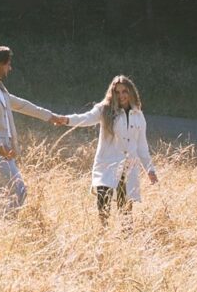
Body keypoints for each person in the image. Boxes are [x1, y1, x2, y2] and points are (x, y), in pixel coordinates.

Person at [0, 45, 70, 214]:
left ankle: (0, 231)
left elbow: (23, 105)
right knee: (18, 191)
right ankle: (6, 226)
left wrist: (51, 117)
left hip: (3, 150)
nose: (10, 68)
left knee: (6, 195)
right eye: (7, 64)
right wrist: (0, 147)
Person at [62, 75, 159, 224]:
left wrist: (150, 170)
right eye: (117, 92)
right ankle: (104, 236)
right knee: (103, 205)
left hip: (128, 167)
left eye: (124, 91)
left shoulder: (138, 115)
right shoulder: (104, 110)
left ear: (131, 92)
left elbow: (141, 146)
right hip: (107, 164)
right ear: (112, 93)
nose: (121, 96)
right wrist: (66, 120)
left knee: (125, 209)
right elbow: (86, 118)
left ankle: (126, 239)